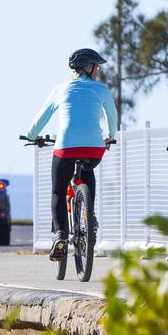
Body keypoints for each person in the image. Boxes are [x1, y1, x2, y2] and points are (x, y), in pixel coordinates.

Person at [24, 48, 118, 262]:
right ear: (88, 67)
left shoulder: (59, 89)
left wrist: (32, 136)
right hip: (94, 149)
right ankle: (89, 216)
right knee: (87, 171)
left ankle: (60, 236)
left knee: (58, 191)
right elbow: (112, 117)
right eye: (97, 65)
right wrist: (111, 136)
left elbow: (41, 117)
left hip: (66, 148)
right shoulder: (101, 89)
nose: (99, 69)